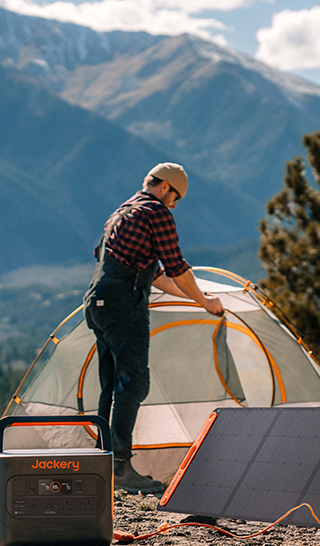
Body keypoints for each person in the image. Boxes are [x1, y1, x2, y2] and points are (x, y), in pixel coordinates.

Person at [84, 163, 224, 494]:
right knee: (133, 384)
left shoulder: (122, 212)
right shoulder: (155, 212)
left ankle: (103, 462)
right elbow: (176, 267)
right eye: (176, 197)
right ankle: (120, 468)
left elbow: (157, 276)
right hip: (123, 306)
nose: (174, 205)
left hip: (97, 303)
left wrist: (198, 298)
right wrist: (206, 303)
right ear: (165, 188)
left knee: (111, 387)